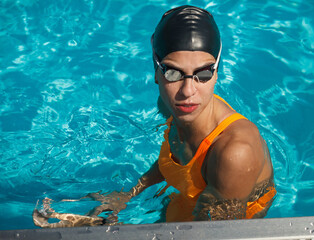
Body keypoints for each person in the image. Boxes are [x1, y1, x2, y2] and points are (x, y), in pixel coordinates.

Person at [33, 5, 276, 227]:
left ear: (217, 72)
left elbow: (214, 232)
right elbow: (174, 159)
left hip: (223, 217)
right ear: (156, 70)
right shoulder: (173, 105)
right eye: (173, 73)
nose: (188, 91)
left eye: (203, 73)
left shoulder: (235, 153)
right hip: (192, 195)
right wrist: (128, 194)